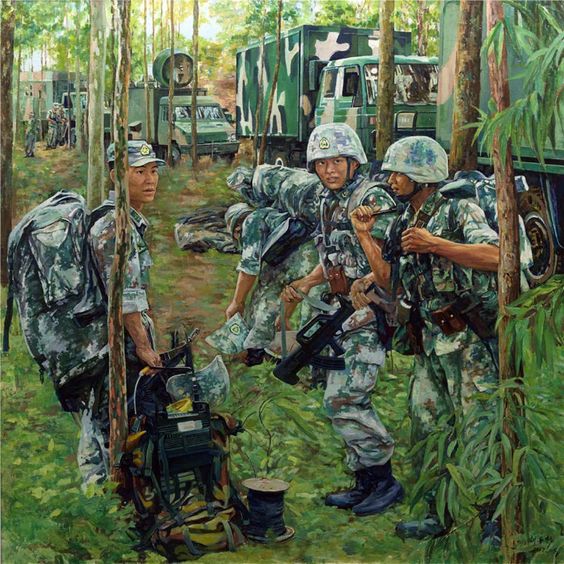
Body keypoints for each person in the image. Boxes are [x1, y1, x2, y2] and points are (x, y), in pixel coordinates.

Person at [348, 136, 505, 542]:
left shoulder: (458, 208)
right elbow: (389, 281)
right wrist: (365, 236)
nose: (392, 180)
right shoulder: (404, 219)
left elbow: (499, 256)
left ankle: (495, 519)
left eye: (399, 173)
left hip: (468, 342)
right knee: (428, 426)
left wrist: (437, 245)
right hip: (429, 341)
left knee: (478, 427)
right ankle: (438, 512)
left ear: (423, 176)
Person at [281, 123, 403, 517]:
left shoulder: (372, 199)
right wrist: (307, 281)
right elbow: (335, 256)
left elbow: (388, 266)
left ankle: (384, 481)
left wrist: (365, 282)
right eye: (321, 164)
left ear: (353, 162)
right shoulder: (327, 200)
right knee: (338, 397)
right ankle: (364, 480)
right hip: (342, 313)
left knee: (346, 398)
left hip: (371, 312)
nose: (329, 170)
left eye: (336, 161)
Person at [78, 140, 166, 486]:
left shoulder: (126, 221)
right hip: (113, 341)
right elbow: (125, 298)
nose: (150, 179)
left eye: (153, 171)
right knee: (110, 416)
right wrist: (144, 346)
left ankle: (99, 493)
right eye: (139, 172)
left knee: (103, 415)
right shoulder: (116, 227)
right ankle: (103, 490)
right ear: (116, 175)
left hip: (115, 338)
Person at [224, 202, 322, 366]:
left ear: (237, 228)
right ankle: (307, 360)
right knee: (311, 311)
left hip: (300, 256)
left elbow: (249, 267)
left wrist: (237, 302)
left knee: (263, 298)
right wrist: (284, 316)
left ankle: (255, 352)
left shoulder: (251, 222)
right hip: (316, 257)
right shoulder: (270, 216)